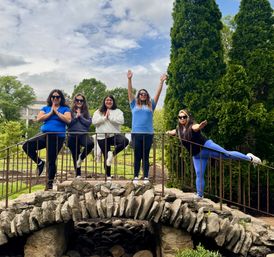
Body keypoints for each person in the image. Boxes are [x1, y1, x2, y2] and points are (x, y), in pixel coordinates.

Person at [166, 109, 262, 198]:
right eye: (180, 117)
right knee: (199, 174)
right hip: (197, 156)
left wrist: (200, 126)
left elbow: (196, 127)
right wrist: (167, 133)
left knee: (227, 154)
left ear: (188, 118)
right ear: (178, 119)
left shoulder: (192, 126)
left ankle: (250, 157)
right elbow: (173, 132)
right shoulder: (178, 129)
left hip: (206, 146)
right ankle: (200, 195)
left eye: (184, 117)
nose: (182, 119)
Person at [22, 89, 71, 190]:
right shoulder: (45, 108)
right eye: (53, 97)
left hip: (57, 137)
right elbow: (39, 118)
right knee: (26, 145)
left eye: (57, 97)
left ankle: (49, 184)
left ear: (60, 98)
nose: (55, 98)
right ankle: (40, 163)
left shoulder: (65, 109)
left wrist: (56, 112)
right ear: (50, 98)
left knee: (51, 160)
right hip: (44, 134)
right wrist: (50, 113)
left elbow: (68, 120)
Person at [127, 70, 167, 184]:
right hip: (136, 134)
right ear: (138, 95)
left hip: (148, 134)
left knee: (146, 156)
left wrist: (161, 82)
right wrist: (129, 79)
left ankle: (145, 177)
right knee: (137, 156)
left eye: (144, 94)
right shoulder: (134, 104)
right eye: (141, 93)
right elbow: (129, 92)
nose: (143, 95)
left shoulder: (151, 105)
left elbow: (158, 94)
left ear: (146, 95)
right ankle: (135, 176)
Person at [93, 95, 129, 181]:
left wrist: (110, 117)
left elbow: (121, 121)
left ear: (113, 101)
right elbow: (94, 122)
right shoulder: (98, 111)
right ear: (104, 101)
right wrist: (104, 118)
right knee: (106, 157)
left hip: (114, 135)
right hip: (102, 137)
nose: (109, 101)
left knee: (125, 141)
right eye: (107, 100)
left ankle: (112, 154)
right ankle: (108, 176)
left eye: (110, 100)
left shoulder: (118, 111)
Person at [67, 93, 94, 178]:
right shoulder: (70, 111)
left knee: (90, 144)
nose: (79, 102)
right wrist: (76, 117)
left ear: (83, 102)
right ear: (74, 101)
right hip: (72, 135)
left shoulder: (86, 112)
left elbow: (88, 123)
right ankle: (78, 175)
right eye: (77, 100)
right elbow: (69, 123)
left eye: (81, 100)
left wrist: (80, 117)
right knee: (75, 155)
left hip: (83, 134)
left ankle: (81, 158)